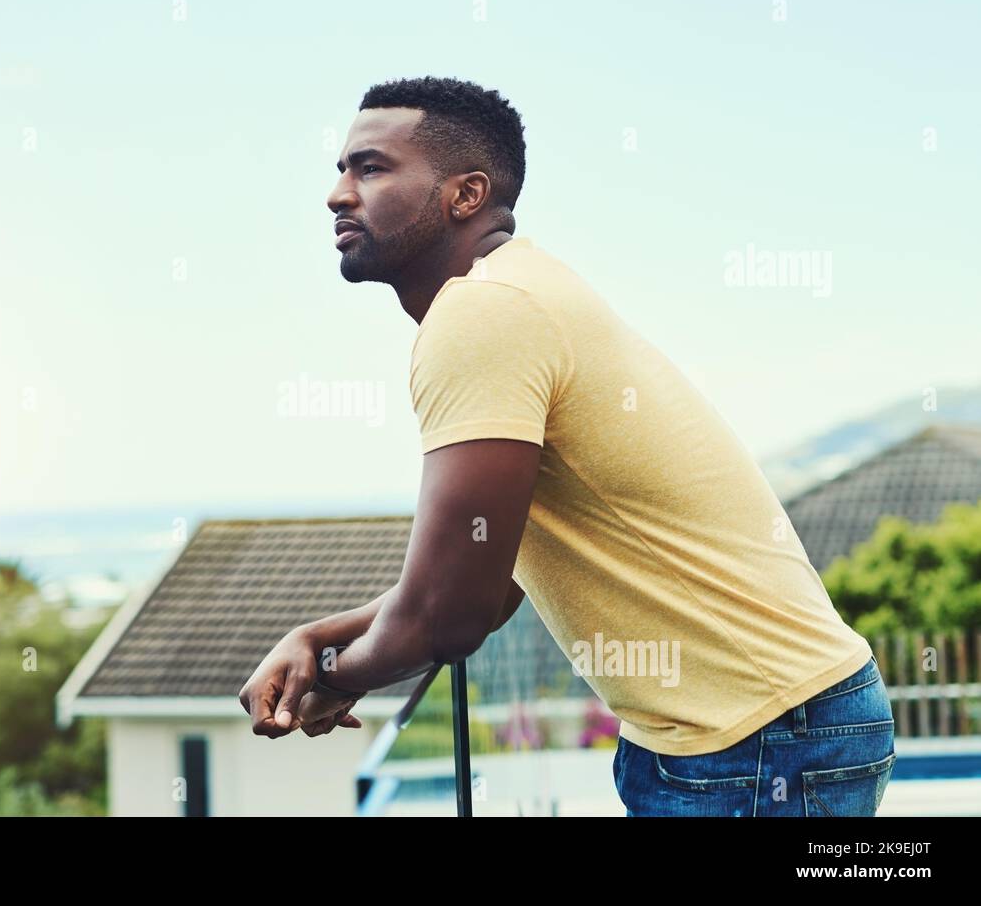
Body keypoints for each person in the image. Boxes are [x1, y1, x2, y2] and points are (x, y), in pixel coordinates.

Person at [237, 76, 895, 816]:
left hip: (758, 740)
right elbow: (491, 574)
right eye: (340, 169)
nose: (337, 194)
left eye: (370, 167)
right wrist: (324, 638)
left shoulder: (485, 313)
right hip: (747, 730)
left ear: (466, 193)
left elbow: (449, 612)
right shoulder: (514, 294)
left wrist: (326, 676)